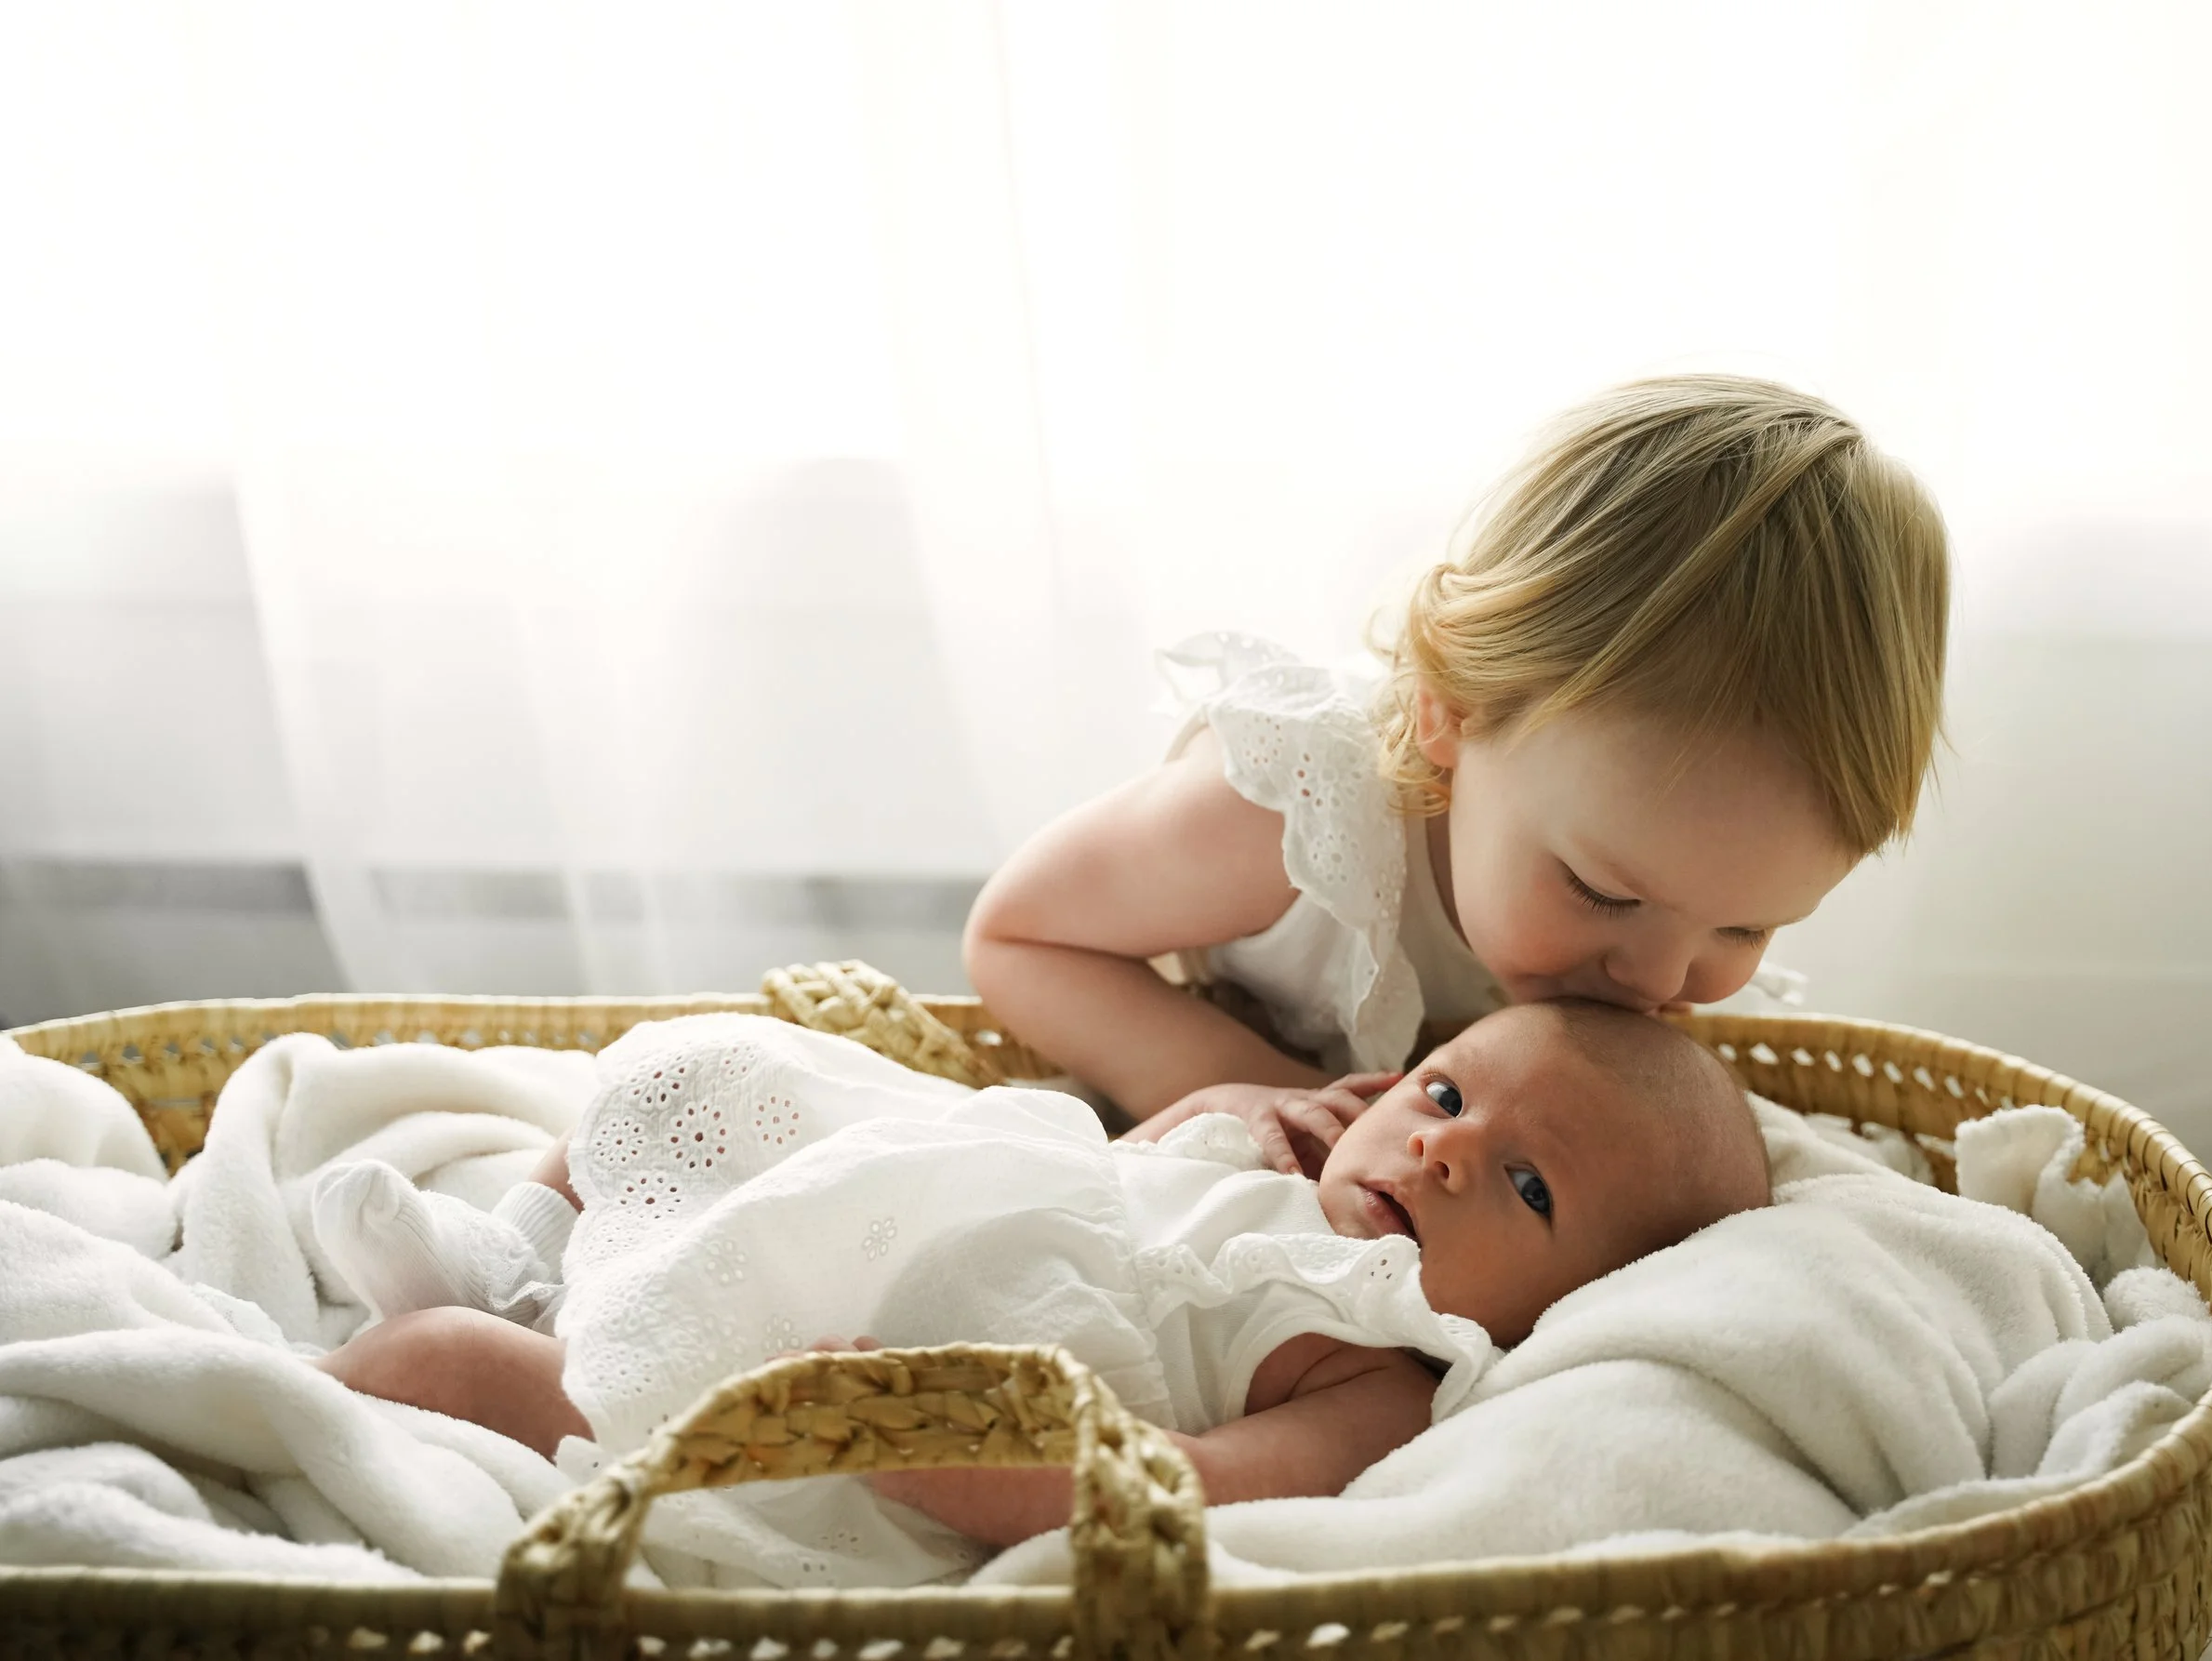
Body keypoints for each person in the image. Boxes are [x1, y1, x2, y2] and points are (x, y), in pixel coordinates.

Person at [316, 998, 1767, 1558]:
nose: (1449, 1153)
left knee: (435, 1368)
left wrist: (983, 1467)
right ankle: (523, 1249)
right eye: (1446, 1097)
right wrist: (1212, 1122)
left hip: (841, 1389)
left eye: (1529, 1184)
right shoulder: (1274, 1145)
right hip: (879, 1199)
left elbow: (1192, 1477)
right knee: (712, 1071)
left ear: (1564, 1303)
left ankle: (410, 1362)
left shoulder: (1376, 1366)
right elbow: (1089, 1179)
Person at [963, 375, 1949, 1171]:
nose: (1659, 978)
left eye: (1744, 925)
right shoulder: (1294, 812)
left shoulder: (1640, 882)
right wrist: (1257, 1085)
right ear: (1447, 713)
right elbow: (1018, 935)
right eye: (1602, 891)